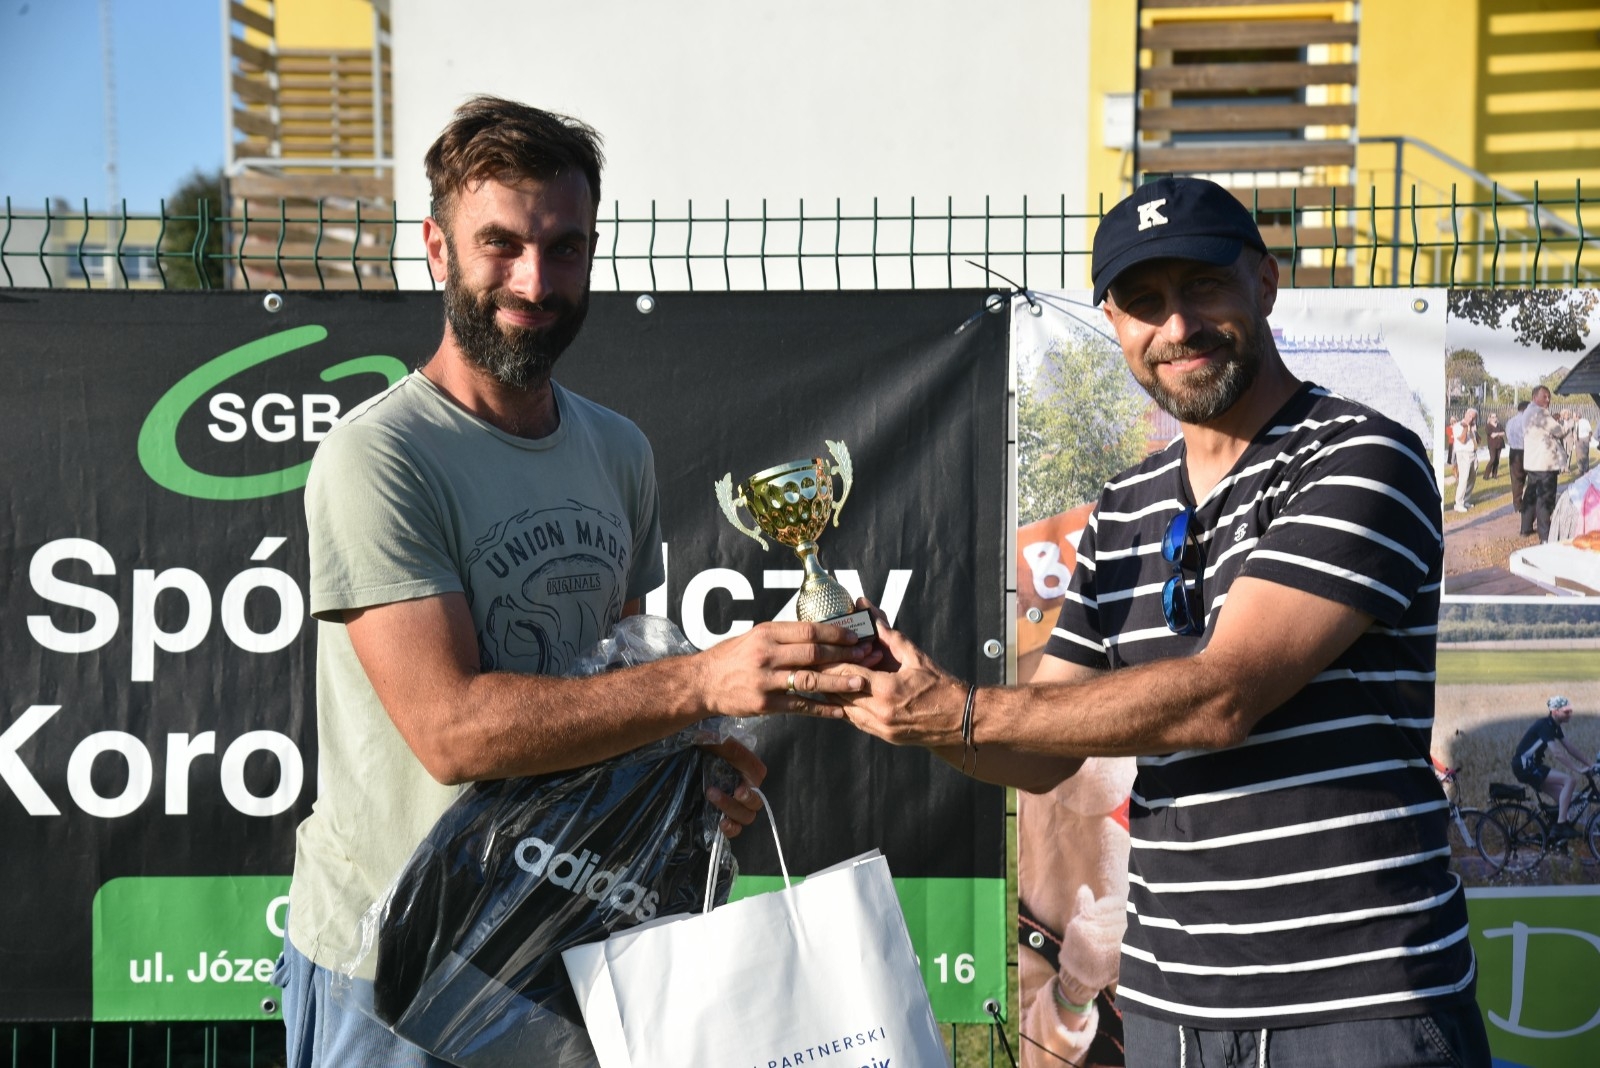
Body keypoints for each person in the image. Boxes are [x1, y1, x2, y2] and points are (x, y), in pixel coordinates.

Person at [833, 176, 1489, 1066]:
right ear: (1113, 322)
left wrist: (966, 710)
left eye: (1203, 285)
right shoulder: (1125, 506)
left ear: (1264, 283)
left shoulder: (1361, 457)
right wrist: (909, 705)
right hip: (1170, 1012)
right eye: (1144, 301)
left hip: (1357, 1005)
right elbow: (1039, 755)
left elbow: (1221, 697)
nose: (1177, 326)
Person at [275, 96, 872, 1068]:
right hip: (392, 965)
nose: (534, 280)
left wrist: (698, 778)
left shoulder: (617, 449)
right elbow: (451, 732)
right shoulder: (379, 455)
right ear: (436, 249)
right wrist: (703, 681)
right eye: (500, 244)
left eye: (564, 248)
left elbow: (619, 691)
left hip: (562, 945)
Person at [1511, 696, 1592, 839]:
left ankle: (1553, 836)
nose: (1570, 714)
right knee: (1570, 781)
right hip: (1525, 766)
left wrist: (1590, 764)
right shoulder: (1545, 725)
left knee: (1564, 799)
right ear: (1555, 711)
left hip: (1531, 765)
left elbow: (1570, 748)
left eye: (1570, 711)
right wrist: (1577, 769)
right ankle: (1561, 826)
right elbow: (1557, 753)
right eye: (1566, 712)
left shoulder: (1554, 725)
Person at [1521, 385, 1568, 542]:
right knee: (1545, 499)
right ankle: (1545, 536)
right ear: (1535, 397)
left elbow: (1540, 429)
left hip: (1532, 462)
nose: (1548, 400)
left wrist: (1552, 419)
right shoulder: (1541, 412)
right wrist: (1568, 423)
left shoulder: (1528, 411)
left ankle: (1525, 528)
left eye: (1549, 397)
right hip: (1545, 463)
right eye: (1544, 397)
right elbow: (1559, 432)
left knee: (1530, 496)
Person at [1506, 399, 1531, 513]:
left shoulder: (1510, 421)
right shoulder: (1527, 421)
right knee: (1531, 476)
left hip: (1513, 451)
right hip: (1525, 450)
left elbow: (1508, 435)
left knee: (1516, 479)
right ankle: (1529, 501)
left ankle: (1517, 503)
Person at [1451, 407, 1478, 513]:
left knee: (1472, 478)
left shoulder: (1472, 426)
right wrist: (1466, 427)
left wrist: (1473, 431)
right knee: (1464, 478)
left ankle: (1466, 500)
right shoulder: (1458, 426)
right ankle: (1458, 503)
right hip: (1463, 453)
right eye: (1469, 416)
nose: (1471, 418)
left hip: (1473, 453)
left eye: (1473, 417)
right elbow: (1462, 440)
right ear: (1465, 414)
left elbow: (1477, 440)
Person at [1484, 411, 1504, 480]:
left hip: (1499, 444)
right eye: (1492, 417)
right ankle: (1486, 475)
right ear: (1490, 418)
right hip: (1492, 445)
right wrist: (1499, 433)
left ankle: (1494, 474)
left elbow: (1503, 433)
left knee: (1497, 460)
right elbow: (1492, 435)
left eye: (1495, 417)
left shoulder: (1499, 425)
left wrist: (1497, 434)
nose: (1494, 418)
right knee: (1492, 459)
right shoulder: (1488, 426)